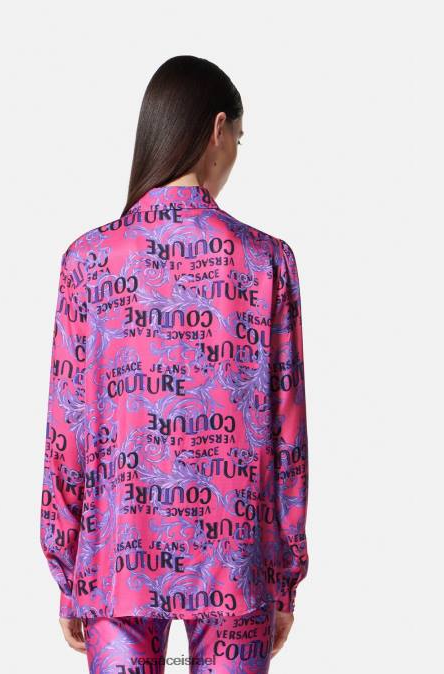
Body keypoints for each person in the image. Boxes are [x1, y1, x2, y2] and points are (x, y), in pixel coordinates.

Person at [39, 54, 309, 674]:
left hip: (117, 561)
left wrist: (68, 566)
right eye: (239, 137)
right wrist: (284, 575)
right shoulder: (268, 262)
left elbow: (67, 428)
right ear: (217, 129)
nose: (235, 151)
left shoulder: (89, 261)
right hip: (237, 560)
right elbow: (288, 435)